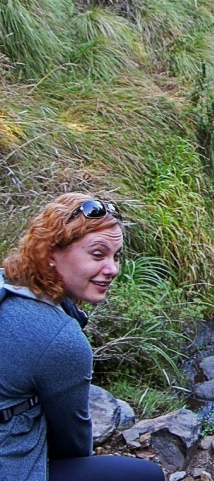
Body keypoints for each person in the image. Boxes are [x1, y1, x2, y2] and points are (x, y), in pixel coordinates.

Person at [0, 192, 165, 480]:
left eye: (116, 256)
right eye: (98, 254)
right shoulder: (60, 338)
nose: (113, 269)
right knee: (145, 476)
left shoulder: (5, 283)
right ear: (50, 254)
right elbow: (72, 442)